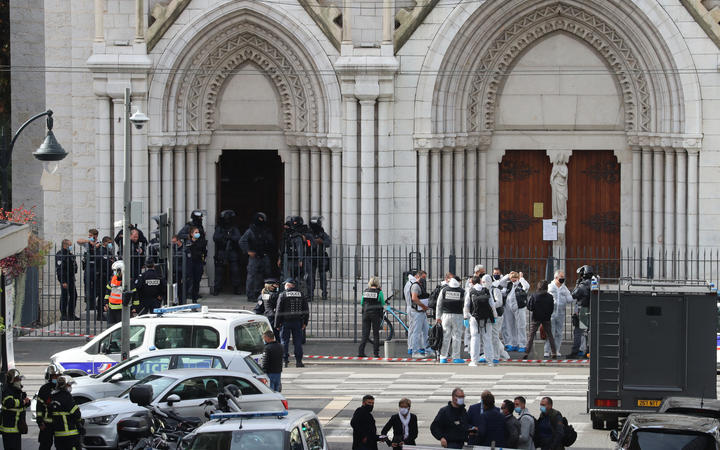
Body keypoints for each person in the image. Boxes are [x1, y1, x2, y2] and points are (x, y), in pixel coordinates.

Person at [240, 212, 277, 301]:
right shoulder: (251, 230)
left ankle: (259, 294)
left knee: (263, 276)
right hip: (254, 257)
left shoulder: (266, 230)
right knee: (252, 276)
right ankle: (250, 295)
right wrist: (248, 251)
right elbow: (242, 241)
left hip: (264, 256)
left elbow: (271, 242)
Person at [465, 275, 500, 367]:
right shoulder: (486, 290)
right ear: (480, 282)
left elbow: (466, 306)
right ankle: (490, 361)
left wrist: (465, 317)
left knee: (475, 338)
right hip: (487, 318)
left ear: (472, 283)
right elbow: (492, 304)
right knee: (487, 339)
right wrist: (495, 316)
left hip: (474, 318)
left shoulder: (470, 291)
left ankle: (474, 361)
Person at [274, 278, 310, 368]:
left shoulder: (283, 295)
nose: (284, 286)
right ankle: (299, 361)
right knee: (297, 342)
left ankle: (284, 361)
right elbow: (306, 310)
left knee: (284, 342)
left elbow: (278, 310)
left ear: (289, 285)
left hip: (285, 322)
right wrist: (305, 322)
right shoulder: (301, 295)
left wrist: (276, 324)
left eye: (285, 285)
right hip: (297, 322)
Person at [212, 209, 243, 295]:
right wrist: (225, 237)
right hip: (222, 252)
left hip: (232, 251)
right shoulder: (219, 228)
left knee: (235, 270)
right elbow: (215, 238)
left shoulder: (234, 228)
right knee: (219, 271)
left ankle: (236, 288)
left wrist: (231, 238)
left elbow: (238, 238)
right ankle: (217, 288)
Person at [525, 280, 558, 359]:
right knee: (550, 335)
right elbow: (551, 308)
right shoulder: (550, 297)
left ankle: (527, 352)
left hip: (536, 317)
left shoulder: (534, 295)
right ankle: (554, 352)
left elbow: (530, 307)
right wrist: (548, 314)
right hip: (546, 318)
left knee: (531, 335)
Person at [436, 275, 465, 364]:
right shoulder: (462, 291)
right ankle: (456, 357)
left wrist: (438, 317)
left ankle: (443, 357)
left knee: (445, 336)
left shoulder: (444, 290)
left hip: (445, 316)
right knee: (457, 336)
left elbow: (439, 304)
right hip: (458, 316)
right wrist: (466, 316)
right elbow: (466, 304)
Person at [500, 271, 530, 352]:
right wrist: (507, 275)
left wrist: (521, 278)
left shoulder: (521, 284)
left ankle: (522, 344)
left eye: (514, 277)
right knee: (510, 325)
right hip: (508, 306)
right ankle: (513, 344)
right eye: (511, 277)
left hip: (519, 306)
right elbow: (501, 282)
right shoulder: (509, 284)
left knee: (521, 326)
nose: (513, 279)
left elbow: (527, 286)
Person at [0, 369, 30, 449]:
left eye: (20, 379)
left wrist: (26, 401)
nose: (20, 381)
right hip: (9, 429)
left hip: (17, 428)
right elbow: (9, 402)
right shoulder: (7, 390)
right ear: (12, 380)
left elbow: (25, 403)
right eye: (18, 379)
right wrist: (23, 402)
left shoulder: (17, 390)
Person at [545, 270, 572, 358]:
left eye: (563, 278)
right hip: (551, 313)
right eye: (561, 278)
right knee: (551, 332)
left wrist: (566, 297)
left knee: (559, 333)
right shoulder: (550, 287)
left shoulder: (564, 288)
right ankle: (547, 350)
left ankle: (556, 350)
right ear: (556, 278)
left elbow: (570, 299)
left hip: (561, 313)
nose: (562, 279)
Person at [49, 376, 81, 450]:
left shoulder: (53, 397)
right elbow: (76, 414)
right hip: (70, 434)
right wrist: (79, 424)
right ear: (65, 385)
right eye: (69, 385)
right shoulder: (67, 397)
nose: (70, 387)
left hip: (58, 435)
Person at [358, 276, 386, 358]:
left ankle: (361, 351)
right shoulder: (379, 292)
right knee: (375, 334)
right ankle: (376, 353)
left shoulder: (365, 291)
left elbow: (362, 303)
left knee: (365, 334)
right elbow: (382, 303)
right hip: (375, 314)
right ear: (377, 283)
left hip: (366, 314)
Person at [569, 265, 594, 359]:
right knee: (587, 332)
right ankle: (587, 351)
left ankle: (576, 351)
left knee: (579, 332)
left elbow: (574, 294)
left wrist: (577, 284)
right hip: (591, 309)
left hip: (583, 310)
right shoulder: (594, 283)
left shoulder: (583, 285)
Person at [406, 270, 431, 359]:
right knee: (416, 332)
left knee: (426, 331)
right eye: (423, 277)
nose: (424, 279)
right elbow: (414, 298)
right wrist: (423, 306)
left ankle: (428, 350)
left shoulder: (420, 285)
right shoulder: (415, 286)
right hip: (417, 312)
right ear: (418, 276)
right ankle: (415, 351)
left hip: (421, 311)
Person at [77, 228, 102, 313]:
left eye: (91, 235)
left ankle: (94, 303)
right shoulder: (87, 244)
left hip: (96, 267)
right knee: (87, 285)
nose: (89, 236)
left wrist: (96, 245)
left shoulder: (100, 244)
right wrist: (89, 241)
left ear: (95, 236)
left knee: (96, 285)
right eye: (89, 235)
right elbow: (78, 241)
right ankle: (88, 304)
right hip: (88, 267)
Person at [36, 366, 60, 450]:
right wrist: (39, 421)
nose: (56, 378)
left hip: (59, 423)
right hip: (46, 424)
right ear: (49, 377)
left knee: (61, 445)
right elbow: (39, 406)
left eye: (58, 376)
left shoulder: (61, 388)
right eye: (54, 376)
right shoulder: (44, 389)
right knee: (45, 445)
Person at [56, 239, 79, 321]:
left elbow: (74, 266)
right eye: (70, 245)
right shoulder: (60, 254)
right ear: (65, 245)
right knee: (64, 296)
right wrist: (63, 281)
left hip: (71, 278)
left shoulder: (71, 255)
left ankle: (71, 314)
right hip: (65, 279)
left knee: (74, 296)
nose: (71, 246)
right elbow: (60, 269)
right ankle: (63, 315)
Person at [309, 216, 331, 300]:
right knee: (311, 276)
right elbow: (306, 242)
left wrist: (321, 242)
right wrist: (312, 242)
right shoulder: (309, 233)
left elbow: (328, 242)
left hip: (321, 256)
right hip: (311, 256)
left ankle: (324, 293)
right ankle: (310, 294)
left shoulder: (322, 233)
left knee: (323, 276)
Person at [186, 226, 207, 302]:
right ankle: (188, 296)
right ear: (192, 234)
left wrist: (203, 260)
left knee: (196, 282)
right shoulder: (188, 243)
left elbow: (204, 253)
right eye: (196, 232)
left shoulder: (201, 242)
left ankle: (194, 298)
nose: (198, 234)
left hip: (198, 264)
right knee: (190, 281)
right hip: (190, 265)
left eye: (198, 232)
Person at [104, 260, 125, 325]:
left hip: (122, 308)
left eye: (115, 270)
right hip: (111, 307)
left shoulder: (126, 281)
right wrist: (106, 303)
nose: (114, 272)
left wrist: (134, 307)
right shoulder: (112, 280)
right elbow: (108, 292)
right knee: (111, 326)